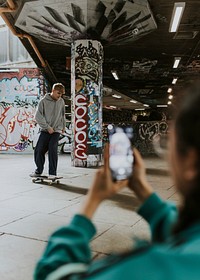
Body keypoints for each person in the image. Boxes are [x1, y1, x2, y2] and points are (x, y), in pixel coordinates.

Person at [34, 83, 200, 280]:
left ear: (191, 162)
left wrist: (92, 201)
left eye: (165, 145)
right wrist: (142, 189)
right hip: (46, 130)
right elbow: (185, 233)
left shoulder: (147, 270)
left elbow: (53, 274)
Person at [30, 83, 66, 179]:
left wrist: (63, 126)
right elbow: (38, 116)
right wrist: (47, 127)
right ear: (53, 91)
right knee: (39, 150)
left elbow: (63, 114)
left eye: (61, 94)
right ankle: (38, 171)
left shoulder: (61, 101)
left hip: (56, 130)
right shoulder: (43, 101)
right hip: (45, 130)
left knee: (53, 150)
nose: (59, 96)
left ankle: (52, 173)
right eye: (58, 93)